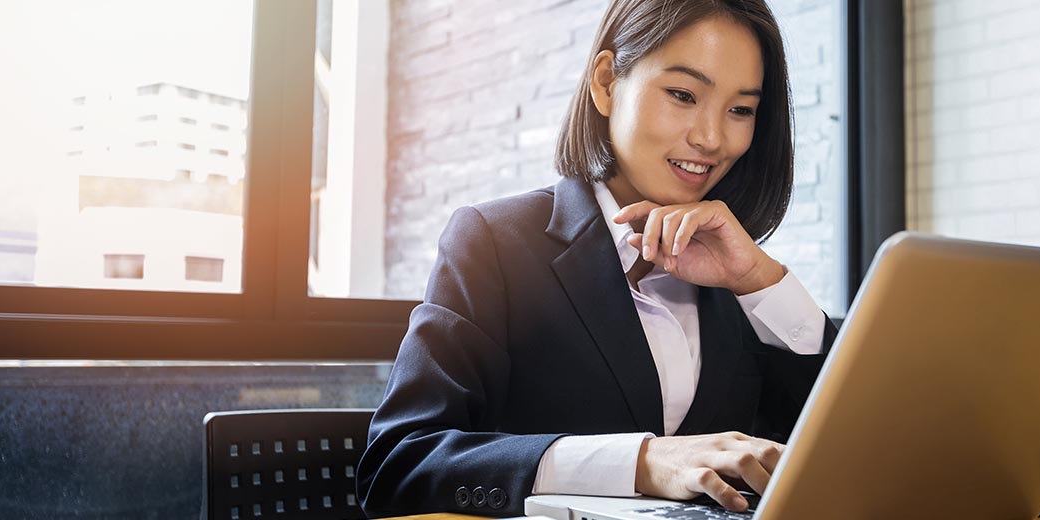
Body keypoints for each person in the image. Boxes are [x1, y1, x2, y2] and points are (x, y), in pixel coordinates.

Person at [356, 0, 838, 517]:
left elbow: (849, 449)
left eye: (740, 110)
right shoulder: (495, 243)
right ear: (607, 82)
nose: (711, 139)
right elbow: (397, 466)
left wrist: (759, 280)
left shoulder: (743, 286)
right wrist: (642, 462)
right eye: (683, 95)